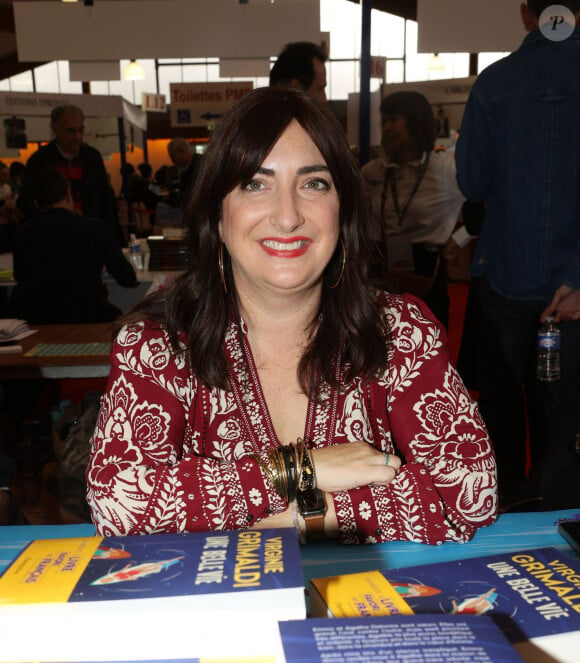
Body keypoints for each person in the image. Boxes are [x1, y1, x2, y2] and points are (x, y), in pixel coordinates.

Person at [86, 87, 497, 543]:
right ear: (217, 217)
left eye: (313, 183)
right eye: (255, 184)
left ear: (342, 211)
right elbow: (118, 503)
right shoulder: (158, 343)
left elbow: (468, 493)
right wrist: (302, 469)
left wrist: (304, 517)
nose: (287, 216)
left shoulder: (400, 331)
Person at [455, 0, 580, 507]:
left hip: (506, 273)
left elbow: (473, 181)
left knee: (502, 406)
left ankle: (505, 516)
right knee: (568, 417)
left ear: (526, 13)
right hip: (574, 291)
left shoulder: (494, 82)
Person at [361, 90, 465, 328]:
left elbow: (482, 208)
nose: (386, 128)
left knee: (428, 357)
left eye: (394, 119)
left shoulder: (446, 170)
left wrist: (457, 240)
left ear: (416, 121)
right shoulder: (371, 173)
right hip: (381, 276)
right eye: (384, 120)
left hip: (427, 277)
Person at [10, 168, 138, 324]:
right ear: (69, 195)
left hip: (37, 318)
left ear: (37, 203)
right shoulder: (96, 229)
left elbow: (20, 275)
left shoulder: (23, 233)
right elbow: (127, 278)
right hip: (88, 315)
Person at [17, 104, 116, 226]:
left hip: (89, 233)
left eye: (81, 130)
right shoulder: (39, 161)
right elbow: (27, 203)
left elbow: (105, 201)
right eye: (71, 131)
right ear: (55, 129)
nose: (77, 136)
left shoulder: (93, 158)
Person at [166, 137, 199, 210]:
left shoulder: (200, 166)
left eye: (173, 156)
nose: (172, 160)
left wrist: (173, 196)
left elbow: (192, 195)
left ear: (182, 151)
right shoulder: (185, 169)